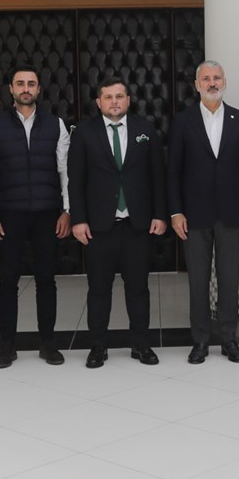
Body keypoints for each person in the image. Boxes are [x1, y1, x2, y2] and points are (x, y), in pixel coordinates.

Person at [69, 77, 167, 368]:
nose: (114, 102)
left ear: (128, 100)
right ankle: (98, 346)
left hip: (137, 225)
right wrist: (78, 219)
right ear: (98, 102)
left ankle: (141, 345)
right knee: (99, 290)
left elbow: (157, 177)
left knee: (138, 289)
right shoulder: (84, 132)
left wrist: (160, 214)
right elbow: (76, 180)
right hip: (99, 227)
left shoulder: (145, 130)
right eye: (108, 97)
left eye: (119, 96)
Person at [168, 61, 239, 364]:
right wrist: (176, 211)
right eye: (206, 78)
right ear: (196, 85)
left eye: (216, 78)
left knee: (229, 279)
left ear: (225, 82)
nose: (212, 83)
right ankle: (200, 340)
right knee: (198, 281)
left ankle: (229, 339)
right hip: (194, 216)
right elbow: (173, 172)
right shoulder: (182, 121)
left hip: (233, 215)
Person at [0, 67, 70, 368]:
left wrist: (67, 210)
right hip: (8, 214)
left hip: (47, 213)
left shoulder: (56, 124)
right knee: (7, 281)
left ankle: (48, 343)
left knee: (46, 280)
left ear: (39, 89)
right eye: (20, 83)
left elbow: (65, 170)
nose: (26, 88)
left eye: (31, 83)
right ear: (11, 88)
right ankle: (7, 346)